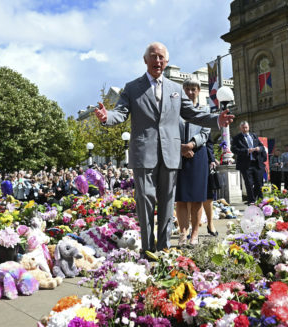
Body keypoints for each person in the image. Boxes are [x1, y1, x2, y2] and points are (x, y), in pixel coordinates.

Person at [94, 42, 234, 255]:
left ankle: (164, 247)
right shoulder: (132, 88)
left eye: (161, 57)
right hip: (144, 153)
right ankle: (148, 248)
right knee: (145, 200)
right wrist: (106, 117)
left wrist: (217, 119)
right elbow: (120, 113)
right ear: (145, 60)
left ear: (166, 61)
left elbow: (193, 114)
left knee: (168, 202)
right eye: (153, 56)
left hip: (170, 153)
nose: (157, 61)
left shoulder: (175, 89)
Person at [174, 78, 211, 247]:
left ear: (199, 90)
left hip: (198, 155)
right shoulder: (175, 110)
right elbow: (170, 130)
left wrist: (191, 144)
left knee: (197, 198)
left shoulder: (205, 109)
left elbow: (205, 132)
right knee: (180, 198)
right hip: (178, 154)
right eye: (187, 89)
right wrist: (181, 147)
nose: (190, 92)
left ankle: (195, 234)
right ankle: (183, 232)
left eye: (193, 89)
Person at [231, 121, 267, 204]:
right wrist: (246, 151)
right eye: (243, 127)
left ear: (248, 127)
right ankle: (251, 201)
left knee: (259, 183)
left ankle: (258, 199)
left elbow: (262, 146)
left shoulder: (254, 135)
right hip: (246, 164)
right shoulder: (237, 138)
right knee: (249, 184)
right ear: (240, 128)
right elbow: (234, 149)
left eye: (246, 127)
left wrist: (259, 148)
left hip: (257, 163)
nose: (245, 129)